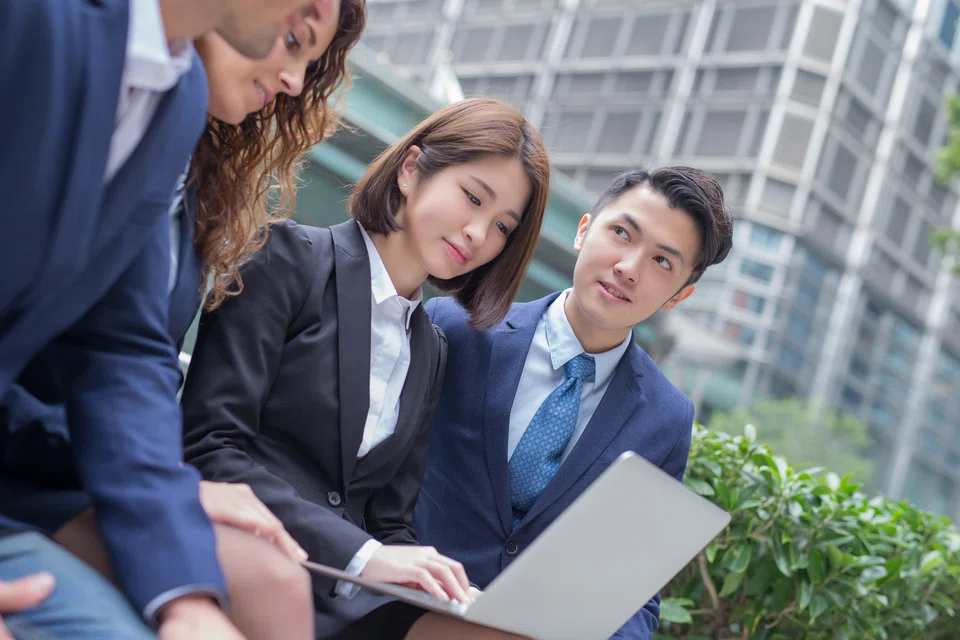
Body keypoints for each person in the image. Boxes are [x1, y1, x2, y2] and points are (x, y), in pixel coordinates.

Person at [1, 2, 367, 638]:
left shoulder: (174, 109)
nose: (294, 82)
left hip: (82, 463)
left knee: (262, 587)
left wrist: (186, 597)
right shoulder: (39, 25)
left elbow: (122, 349)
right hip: (40, 462)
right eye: (295, 38)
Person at [180, 97, 550, 639]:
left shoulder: (430, 348)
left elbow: (387, 520)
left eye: (502, 227)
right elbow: (208, 446)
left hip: (343, 590)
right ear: (411, 170)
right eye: (473, 197)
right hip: (251, 553)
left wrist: (441, 585)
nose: (478, 233)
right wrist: (363, 554)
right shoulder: (287, 258)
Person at [414, 167, 734, 639]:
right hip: (405, 613)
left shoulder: (667, 418)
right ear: (584, 230)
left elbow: (633, 592)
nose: (629, 267)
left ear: (679, 295)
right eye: (621, 233)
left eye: (662, 262)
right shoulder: (458, 328)